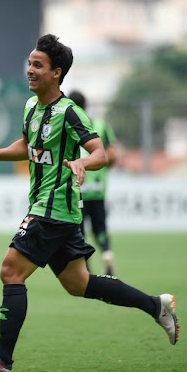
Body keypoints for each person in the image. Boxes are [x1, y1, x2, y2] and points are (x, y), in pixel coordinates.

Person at [0, 34, 179, 372]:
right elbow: (28, 145)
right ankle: (156, 305)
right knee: (78, 283)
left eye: (38, 65)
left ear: (57, 73)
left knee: (11, 271)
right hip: (55, 212)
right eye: (30, 63)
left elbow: (101, 153)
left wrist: (82, 164)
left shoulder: (69, 113)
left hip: (52, 210)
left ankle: (2, 358)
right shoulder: (31, 107)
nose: (30, 70)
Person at [68, 90, 118, 276]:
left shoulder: (68, 125)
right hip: (98, 188)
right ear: (86, 106)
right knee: (100, 227)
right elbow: (112, 155)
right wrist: (103, 169)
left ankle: (86, 270)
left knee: (80, 232)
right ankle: (106, 251)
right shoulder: (100, 125)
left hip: (77, 189)